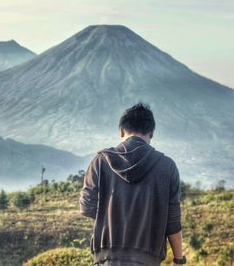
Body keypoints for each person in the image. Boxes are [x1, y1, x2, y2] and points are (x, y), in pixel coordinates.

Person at [79, 102, 186, 266]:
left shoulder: (100, 161)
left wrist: (112, 219)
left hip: (106, 259)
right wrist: (179, 259)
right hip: (147, 260)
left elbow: (87, 207)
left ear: (121, 130)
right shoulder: (167, 166)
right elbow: (172, 221)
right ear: (151, 133)